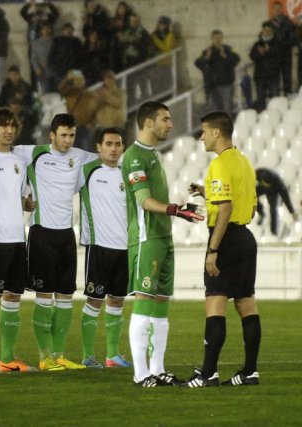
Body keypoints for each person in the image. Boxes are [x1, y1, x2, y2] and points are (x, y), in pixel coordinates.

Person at [121, 101, 204, 387]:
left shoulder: (153, 154)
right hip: (147, 239)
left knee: (161, 302)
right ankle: (141, 374)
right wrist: (175, 210)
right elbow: (143, 200)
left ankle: (157, 369)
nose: (170, 124)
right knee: (144, 300)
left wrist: (176, 212)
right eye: (165, 119)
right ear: (147, 123)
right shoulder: (133, 156)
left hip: (163, 237)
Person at [13, 113, 98, 371]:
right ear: (52, 135)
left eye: (72, 135)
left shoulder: (80, 157)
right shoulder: (33, 153)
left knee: (65, 295)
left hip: (65, 235)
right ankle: (44, 356)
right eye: (63, 135)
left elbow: (111, 156)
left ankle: (59, 355)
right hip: (41, 232)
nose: (68, 140)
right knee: (44, 296)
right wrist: (22, 197)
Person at [183, 111, 261, 387]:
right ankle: (250, 372)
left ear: (217, 133)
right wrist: (207, 193)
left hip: (225, 240)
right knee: (246, 303)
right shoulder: (244, 162)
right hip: (245, 238)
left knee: (215, 301)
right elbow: (249, 208)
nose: (202, 137)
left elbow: (225, 207)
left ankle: (208, 374)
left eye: (204, 131)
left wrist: (213, 249)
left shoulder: (218, 165)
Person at [0, 108, 35, 373]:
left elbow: (23, 197)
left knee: (13, 296)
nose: (8, 130)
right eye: (3, 126)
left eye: (12, 125)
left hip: (16, 238)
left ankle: (7, 358)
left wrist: (27, 203)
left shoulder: (20, 162)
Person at [77, 127, 131, 369]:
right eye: (108, 144)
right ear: (98, 147)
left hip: (124, 248)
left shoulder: (127, 174)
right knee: (94, 300)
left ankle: (112, 355)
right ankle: (88, 356)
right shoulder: (86, 171)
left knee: (117, 301)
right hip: (98, 247)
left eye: (118, 144)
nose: (113, 149)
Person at [194, 29, 241, 116]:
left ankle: (228, 127)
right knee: (215, 110)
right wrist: (207, 57)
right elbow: (197, 63)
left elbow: (237, 60)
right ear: (212, 39)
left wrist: (226, 56)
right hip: (213, 85)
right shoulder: (206, 51)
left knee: (227, 108)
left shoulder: (229, 49)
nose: (218, 40)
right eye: (216, 38)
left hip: (227, 84)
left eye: (220, 38)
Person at [58, 70, 99, 152]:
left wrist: (93, 123)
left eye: (80, 80)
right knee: (75, 151)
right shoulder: (69, 93)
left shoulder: (89, 94)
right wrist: (67, 79)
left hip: (86, 125)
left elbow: (95, 109)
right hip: (74, 126)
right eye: (77, 80)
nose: (79, 82)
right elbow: (61, 89)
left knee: (86, 150)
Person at [255, 167, 298, 236]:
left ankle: (274, 231)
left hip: (273, 191)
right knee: (252, 194)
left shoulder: (279, 184)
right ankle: (261, 212)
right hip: (262, 187)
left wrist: (292, 212)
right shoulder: (257, 173)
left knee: (273, 209)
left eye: (267, 184)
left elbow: (286, 198)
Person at [250, 21, 281, 112]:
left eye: (269, 30)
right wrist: (260, 53)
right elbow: (252, 56)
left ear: (272, 31)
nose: (267, 32)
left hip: (273, 77)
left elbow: (280, 57)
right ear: (262, 31)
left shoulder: (277, 43)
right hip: (260, 77)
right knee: (260, 100)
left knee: (275, 100)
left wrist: (269, 50)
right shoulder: (257, 44)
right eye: (265, 30)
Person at [270, 1, 295, 95]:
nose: (277, 10)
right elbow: (266, 39)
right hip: (274, 57)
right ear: (273, 10)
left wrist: (284, 46)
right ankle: (276, 101)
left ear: (282, 9)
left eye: (279, 8)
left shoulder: (288, 22)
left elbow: (294, 38)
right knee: (275, 81)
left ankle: (288, 99)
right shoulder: (269, 24)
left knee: (287, 80)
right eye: (275, 8)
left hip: (286, 56)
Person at [94, 70, 126, 139]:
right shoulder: (99, 92)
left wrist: (106, 96)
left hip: (117, 125)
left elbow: (118, 103)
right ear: (104, 80)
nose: (109, 80)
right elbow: (95, 107)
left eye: (111, 78)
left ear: (114, 80)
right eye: (107, 78)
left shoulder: (120, 92)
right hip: (103, 126)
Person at [49, 23, 83, 89]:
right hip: (60, 70)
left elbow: (81, 56)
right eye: (66, 29)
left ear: (73, 31)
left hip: (75, 69)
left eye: (70, 29)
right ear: (62, 30)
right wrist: (54, 68)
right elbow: (52, 55)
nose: (68, 31)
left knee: (75, 90)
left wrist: (79, 69)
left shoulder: (77, 41)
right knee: (61, 90)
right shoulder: (57, 41)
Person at [30, 24, 54, 94]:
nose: (46, 31)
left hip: (54, 71)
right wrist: (37, 68)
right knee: (44, 92)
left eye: (48, 28)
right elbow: (33, 57)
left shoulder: (55, 42)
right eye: (44, 29)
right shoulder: (36, 43)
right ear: (41, 31)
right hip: (41, 71)